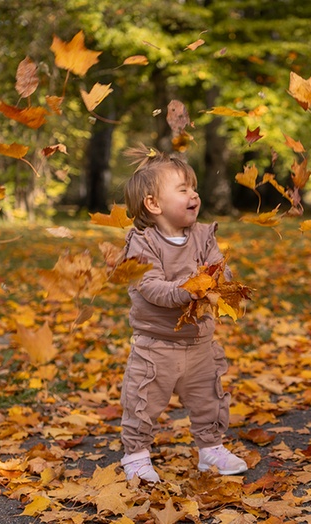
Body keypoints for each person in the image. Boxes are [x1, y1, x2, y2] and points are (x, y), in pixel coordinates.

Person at [118, 145, 248, 483]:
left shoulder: (203, 235)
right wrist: (187, 291)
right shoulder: (142, 243)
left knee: (209, 397)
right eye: (183, 189)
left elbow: (220, 271)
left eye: (194, 188)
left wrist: (223, 281)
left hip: (199, 342)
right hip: (156, 344)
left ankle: (211, 449)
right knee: (143, 401)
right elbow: (151, 287)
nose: (194, 195)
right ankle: (135, 455)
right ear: (154, 204)